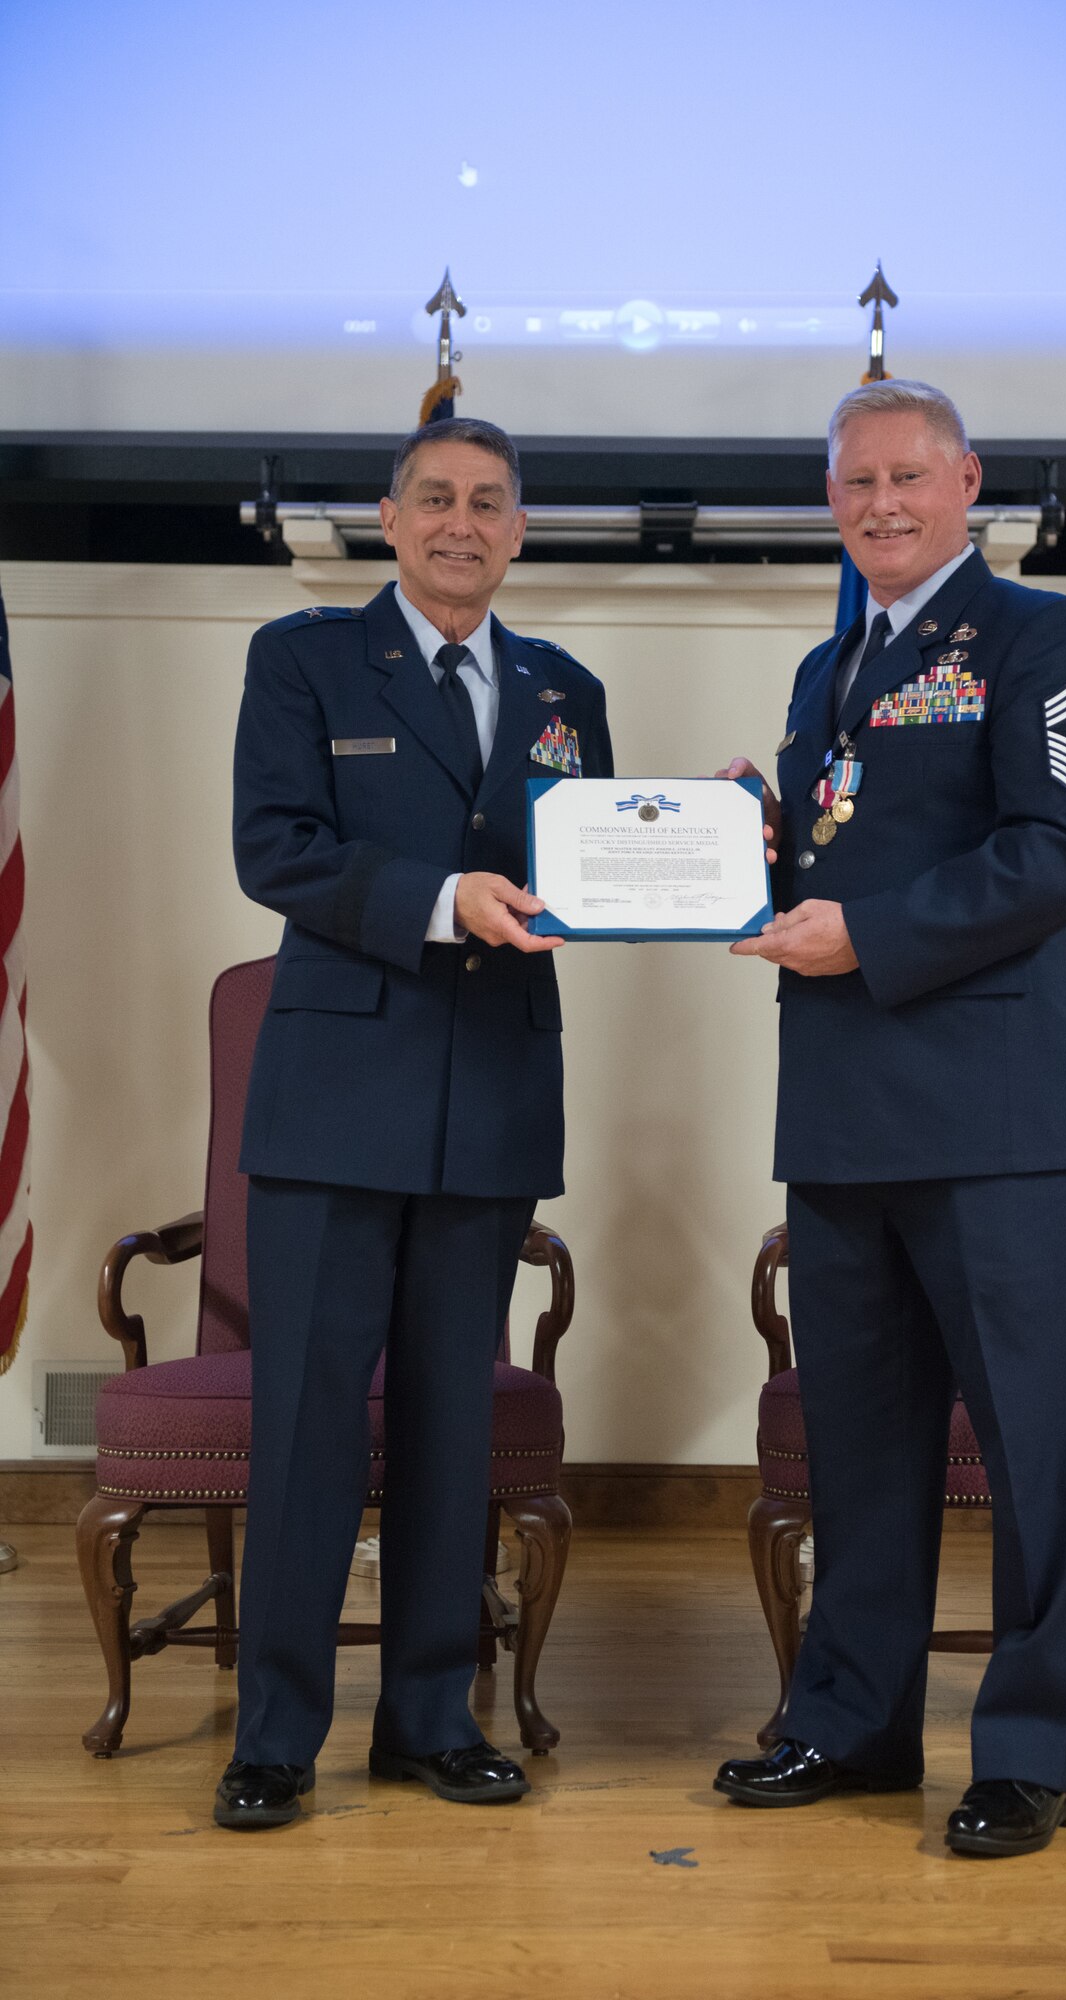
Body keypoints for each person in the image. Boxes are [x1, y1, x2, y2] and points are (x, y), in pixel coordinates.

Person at [713, 380, 1066, 1857]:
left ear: (968, 482)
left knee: (1040, 1452)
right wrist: (731, 846)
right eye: (854, 485)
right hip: (845, 1119)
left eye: (908, 477)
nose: (879, 505)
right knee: (861, 1453)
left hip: (1004, 1119)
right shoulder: (830, 666)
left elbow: (1061, 853)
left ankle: (1027, 1749)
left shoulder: (1046, 639)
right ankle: (852, 1721)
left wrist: (865, 937)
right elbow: (841, 850)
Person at [215, 417, 613, 1830]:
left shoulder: (566, 685)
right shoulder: (304, 659)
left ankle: (432, 1719)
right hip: (335, 1107)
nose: (463, 522)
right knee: (310, 1427)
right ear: (389, 520)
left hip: (492, 1097)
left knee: (454, 1425)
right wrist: (448, 902)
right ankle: (275, 1735)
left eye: (490, 503)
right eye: (436, 498)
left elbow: (586, 866)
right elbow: (278, 848)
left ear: (520, 531)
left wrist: (711, 844)